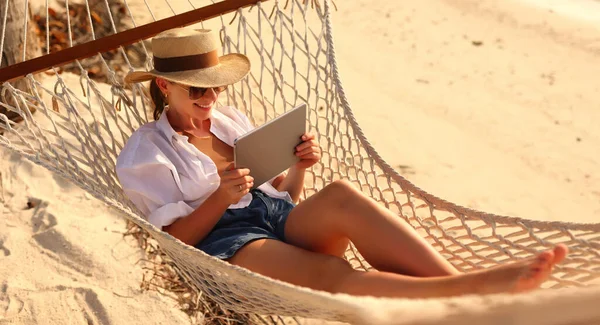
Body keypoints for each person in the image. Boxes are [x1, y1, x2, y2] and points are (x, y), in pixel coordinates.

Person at [116, 27, 568, 299]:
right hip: (228, 245)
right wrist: (219, 197)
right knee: (332, 272)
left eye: (215, 87)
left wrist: (299, 168)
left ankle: (470, 289)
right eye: (197, 91)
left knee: (341, 195)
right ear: (162, 85)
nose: (210, 99)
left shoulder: (229, 120)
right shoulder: (146, 153)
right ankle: (464, 292)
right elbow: (172, 240)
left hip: (276, 219)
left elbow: (285, 199)